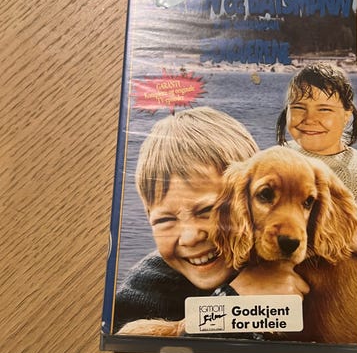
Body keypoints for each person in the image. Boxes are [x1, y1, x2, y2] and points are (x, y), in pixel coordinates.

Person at [114, 106, 309, 332]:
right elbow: (126, 342)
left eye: (207, 211)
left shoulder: (291, 242)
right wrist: (236, 302)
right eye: (165, 220)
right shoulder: (146, 288)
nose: (189, 237)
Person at [276, 63, 357, 203]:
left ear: (346, 116)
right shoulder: (281, 152)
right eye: (299, 108)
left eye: (324, 109)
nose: (309, 119)